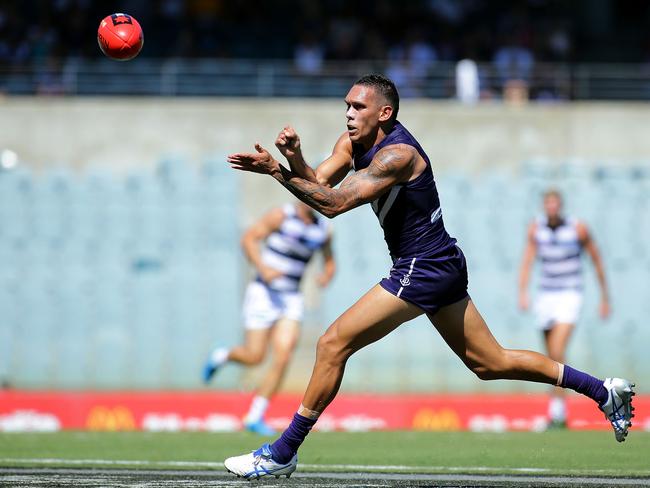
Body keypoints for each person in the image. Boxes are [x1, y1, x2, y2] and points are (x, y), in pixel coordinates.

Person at [223, 74, 635, 479]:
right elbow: (319, 183)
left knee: (333, 343)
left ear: (384, 112)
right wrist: (294, 160)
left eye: (358, 106)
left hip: (423, 267)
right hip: (441, 263)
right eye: (347, 105)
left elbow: (332, 205)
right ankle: (603, 391)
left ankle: (282, 452)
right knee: (491, 362)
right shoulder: (352, 142)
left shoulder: (397, 155)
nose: (348, 113)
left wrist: (278, 172)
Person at [202, 201, 335, 435]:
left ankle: (255, 416)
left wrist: (326, 276)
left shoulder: (322, 229)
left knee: (283, 355)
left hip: (291, 297)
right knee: (255, 356)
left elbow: (330, 262)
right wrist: (264, 269)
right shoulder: (281, 216)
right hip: (264, 292)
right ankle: (223, 355)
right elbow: (249, 239)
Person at [519, 189, 611, 429]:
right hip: (546, 295)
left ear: (560, 206)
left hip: (569, 295)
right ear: (544, 206)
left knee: (558, 351)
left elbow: (596, 259)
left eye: (555, 204)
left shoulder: (577, 228)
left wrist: (604, 298)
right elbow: (528, 261)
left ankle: (558, 412)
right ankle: (557, 411)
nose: (551, 208)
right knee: (552, 357)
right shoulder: (536, 229)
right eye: (547, 204)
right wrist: (523, 292)